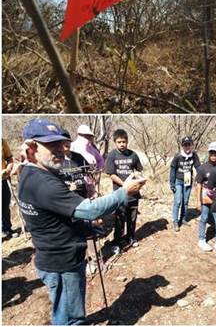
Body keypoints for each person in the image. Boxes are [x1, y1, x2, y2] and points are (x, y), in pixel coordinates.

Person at [18, 118, 146, 325]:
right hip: (62, 262)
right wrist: (124, 192)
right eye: (51, 145)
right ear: (32, 148)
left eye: (60, 143)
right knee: (72, 319)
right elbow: (89, 209)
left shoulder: (30, 173)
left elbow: (54, 216)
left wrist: (85, 226)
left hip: (55, 256)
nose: (59, 149)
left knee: (65, 312)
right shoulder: (43, 183)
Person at [105, 129, 144, 254]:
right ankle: (117, 242)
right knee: (120, 219)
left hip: (134, 194)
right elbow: (111, 174)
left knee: (132, 218)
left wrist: (137, 179)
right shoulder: (112, 155)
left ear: (127, 141)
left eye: (124, 142)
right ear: (115, 142)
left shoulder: (133, 155)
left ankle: (131, 237)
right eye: (119, 142)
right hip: (120, 193)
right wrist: (125, 185)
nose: (122, 144)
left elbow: (139, 170)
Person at [170, 136, 201, 232]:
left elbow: (198, 167)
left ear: (192, 145)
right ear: (182, 146)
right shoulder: (178, 156)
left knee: (186, 201)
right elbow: (173, 169)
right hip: (178, 180)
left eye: (189, 145)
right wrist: (172, 183)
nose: (187, 147)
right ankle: (175, 221)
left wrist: (202, 178)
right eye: (185, 145)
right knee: (178, 201)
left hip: (188, 179)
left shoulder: (194, 155)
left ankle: (183, 219)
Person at [196, 142, 216, 251]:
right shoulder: (203, 168)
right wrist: (198, 201)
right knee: (204, 218)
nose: (213, 155)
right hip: (206, 198)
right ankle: (201, 240)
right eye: (211, 152)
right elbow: (198, 184)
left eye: (215, 152)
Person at [71, 124, 104, 195]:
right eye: (85, 135)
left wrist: (98, 169)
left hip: (92, 178)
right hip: (77, 179)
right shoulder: (72, 146)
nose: (87, 138)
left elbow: (101, 160)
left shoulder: (92, 148)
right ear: (79, 134)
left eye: (89, 136)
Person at [2, 139, 19, 239]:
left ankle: (6, 229)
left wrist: (8, 169)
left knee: (4, 205)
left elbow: (9, 158)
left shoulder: (2, 141)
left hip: (2, 179)